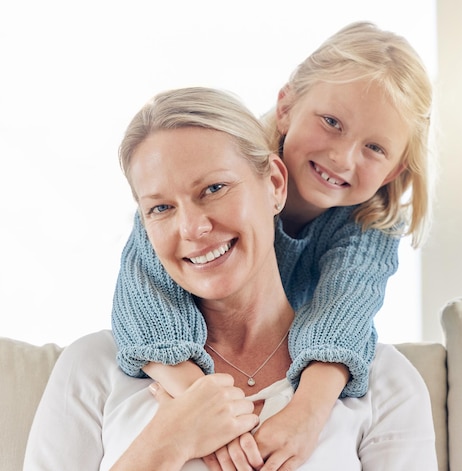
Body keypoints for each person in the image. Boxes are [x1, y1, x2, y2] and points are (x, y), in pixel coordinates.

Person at [24, 87, 437, 470]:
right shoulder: (93, 367)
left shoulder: (384, 382)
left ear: (274, 184)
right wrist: (162, 446)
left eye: (214, 188)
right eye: (161, 208)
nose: (192, 228)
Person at [111, 21, 434, 469]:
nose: (342, 157)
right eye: (332, 122)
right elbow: (142, 303)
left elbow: (342, 315)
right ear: (286, 107)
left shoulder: (368, 227)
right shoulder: (212, 178)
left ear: (395, 170)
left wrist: (308, 411)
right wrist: (202, 409)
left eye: (375, 148)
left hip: (277, 349)